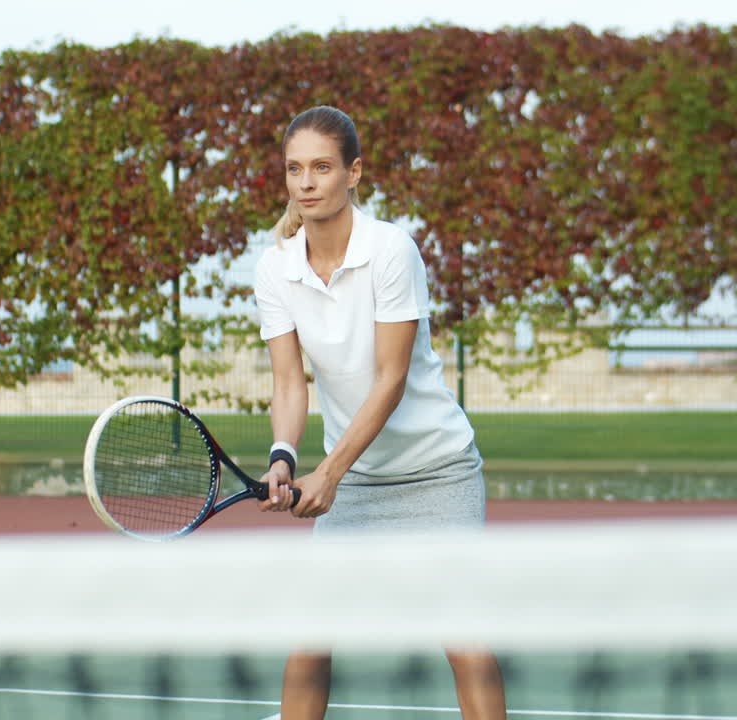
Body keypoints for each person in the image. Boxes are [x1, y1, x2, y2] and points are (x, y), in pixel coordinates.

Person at [253, 105, 508, 719]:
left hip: (437, 471)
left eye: (321, 167)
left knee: (465, 638)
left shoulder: (392, 249)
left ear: (354, 173)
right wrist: (284, 457)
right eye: (294, 169)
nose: (306, 182)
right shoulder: (274, 269)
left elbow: (390, 379)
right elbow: (290, 383)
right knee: (311, 640)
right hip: (360, 481)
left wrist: (330, 473)